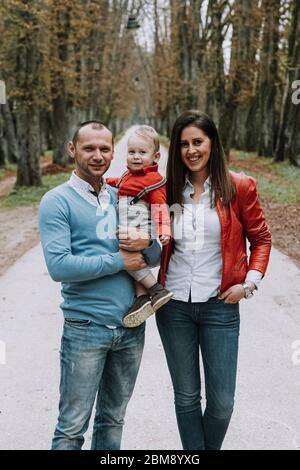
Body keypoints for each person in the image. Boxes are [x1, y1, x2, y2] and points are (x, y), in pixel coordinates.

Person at [39, 120, 161, 450]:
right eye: (89, 148)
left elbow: (152, 254)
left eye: (104, 149)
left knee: (112, 419)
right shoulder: (57, 201)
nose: (97, 155)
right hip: (86, 328)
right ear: (72, 149)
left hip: (130, 328)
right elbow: (59, 266)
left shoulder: (122, 195)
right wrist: (120, 261)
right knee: (71, 426)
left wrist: (145, 242)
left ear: (112, 152)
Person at [156, 110, 272, 450]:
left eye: (198, 141)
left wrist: (249, 283)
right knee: (187, 397)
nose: (191, 150)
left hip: (220, 305)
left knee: (221, 403)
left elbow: (261, 239)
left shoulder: (239, 186)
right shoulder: (166, 191)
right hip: (173, 306)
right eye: (183, 144)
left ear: (212, 143)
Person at [106, 125, 172, 328]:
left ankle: (156, 290)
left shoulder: (154, 181)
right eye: (131, 152)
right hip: (132, 230)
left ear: (156, 157)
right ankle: (141, 299)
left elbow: (160, 207)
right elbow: (123, 184)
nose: (136, 157)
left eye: (142, 152)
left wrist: (164, 231)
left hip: (142, 232)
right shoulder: (130, 175)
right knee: (132, 261)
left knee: (123, 255)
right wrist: (107, 181)